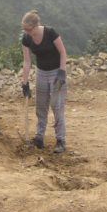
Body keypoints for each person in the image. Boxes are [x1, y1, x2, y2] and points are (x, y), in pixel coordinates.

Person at [21, 10, 68, 153]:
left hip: (55, 72)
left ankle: (60, 140)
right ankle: (39, 136)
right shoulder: (26, 38)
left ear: (36, 26)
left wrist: (62, 72)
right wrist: (25, 82)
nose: (26, 32)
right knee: (41, 106)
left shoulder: (50, 33)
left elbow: (63, 52)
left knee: (56, 105)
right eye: (24, 29)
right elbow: (27, 61)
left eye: (28, 29)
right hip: (41, 73)